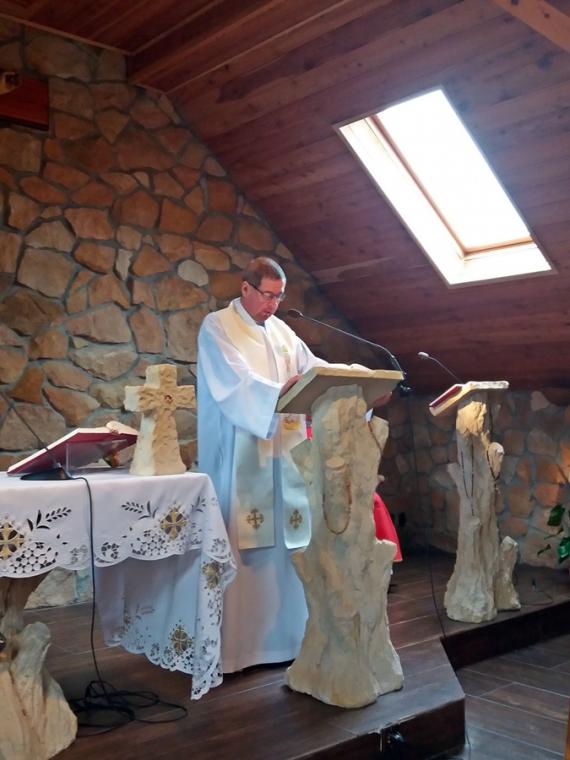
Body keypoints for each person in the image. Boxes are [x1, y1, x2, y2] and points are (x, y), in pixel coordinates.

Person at [197, 257, 328, 673]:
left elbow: (314, 370)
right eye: (267, 295)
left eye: (279, 296)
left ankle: (293, 639)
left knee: (292, 542)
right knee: (245, 543)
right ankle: (241, 651)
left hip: (285, 454)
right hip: (243, 457)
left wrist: (349, 379)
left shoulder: (283, 332)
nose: (272, 304)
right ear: (246, 288)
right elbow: (235, 384)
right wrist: (278, 392)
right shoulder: (218, 326)